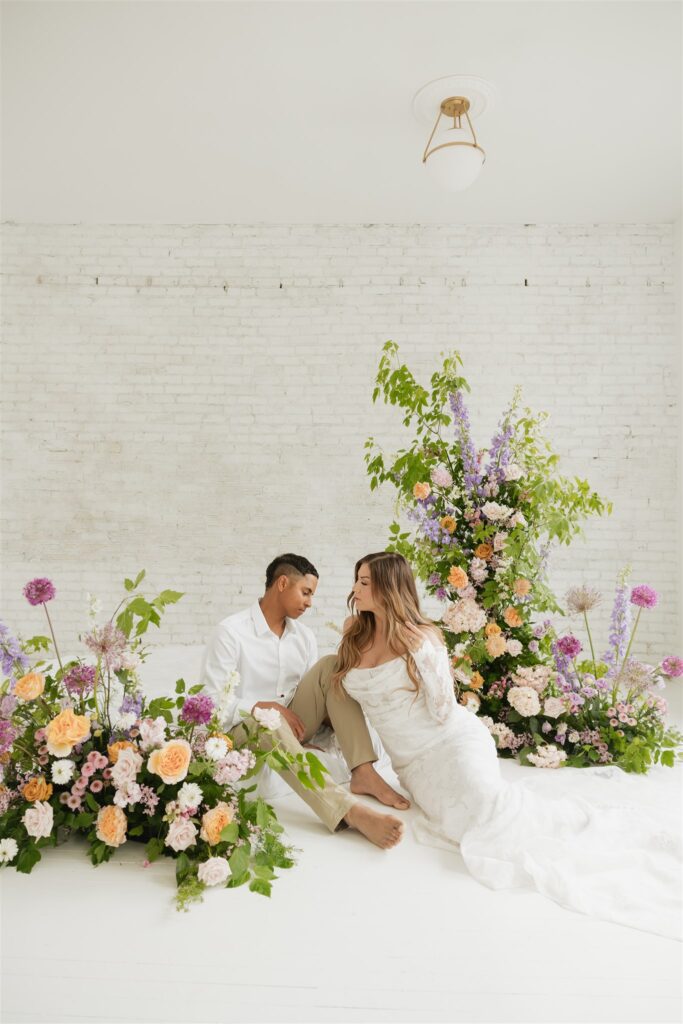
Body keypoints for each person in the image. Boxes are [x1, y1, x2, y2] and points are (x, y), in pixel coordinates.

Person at [332, 550, 681, 939]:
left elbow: (444, 711)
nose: (355, 589)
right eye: (357, 580)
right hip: (413, 764)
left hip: (451, 741)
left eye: (364, 582)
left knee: (488, 811)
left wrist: (429, 659)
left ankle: (588, 834)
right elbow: (345, 692)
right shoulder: (354, 631)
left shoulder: (420, 638)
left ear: (389, 589)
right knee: (461, 821)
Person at [200, 553, 406, 849]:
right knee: (268, 722)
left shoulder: (304, 636)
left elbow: (314, 693)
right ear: (282, 583)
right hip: (242, 729)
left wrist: (320, 727)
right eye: (306, 592)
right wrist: (261, 707)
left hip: (292, 722)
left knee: (333, 664)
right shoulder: (231, 633)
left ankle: (363, 771)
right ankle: (350, 812)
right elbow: (210, 705)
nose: (310, 602)